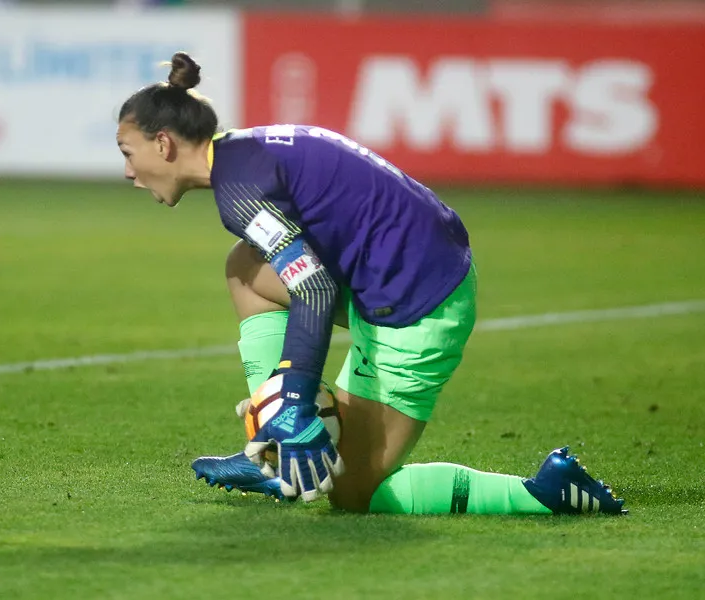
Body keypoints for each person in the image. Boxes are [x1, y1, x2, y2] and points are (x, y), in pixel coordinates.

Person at [115, 51, 626, 515]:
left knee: (350, 492)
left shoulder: (239, 193)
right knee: (244, 269)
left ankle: (543, 494)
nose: (127, 173)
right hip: (402, 272)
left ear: (163, 144)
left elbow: (312, 287)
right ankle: (272, 447)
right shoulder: (246, 152)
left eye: (127, 152)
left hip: (418, 306)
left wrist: (296, 398)